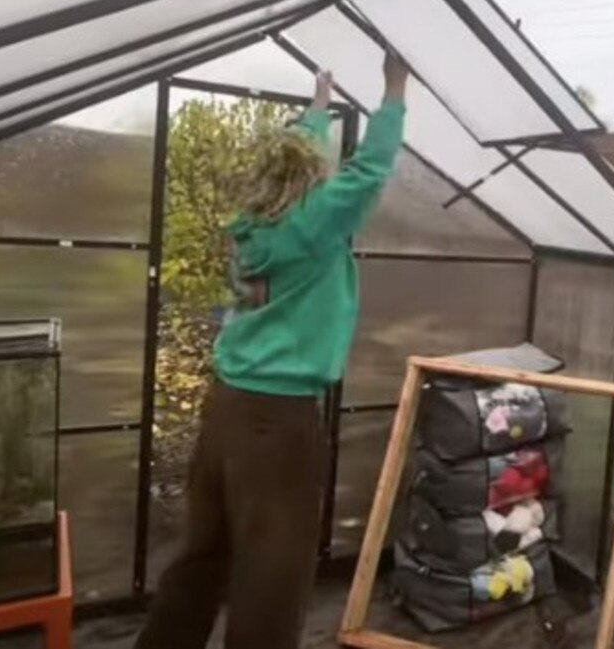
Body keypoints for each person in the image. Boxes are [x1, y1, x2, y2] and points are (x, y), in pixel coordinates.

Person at [134, 54, 410, 649]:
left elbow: (293, 158)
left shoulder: (251, 224)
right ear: (310, 178)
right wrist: (394, 89)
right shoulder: (313, 225)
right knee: (272, 570)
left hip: (226, 406)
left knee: (201, 554)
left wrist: (316, 108)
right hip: (278, 421)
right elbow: (370, 169)